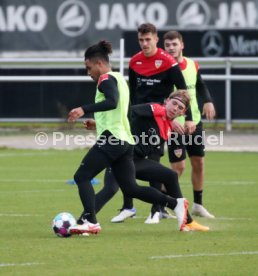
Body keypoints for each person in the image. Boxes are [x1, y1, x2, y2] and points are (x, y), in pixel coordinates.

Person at [67, 40, 189, 235]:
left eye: (88, 67)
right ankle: (174, 203)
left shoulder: (105, 79)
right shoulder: (120, 80)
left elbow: (111, 102)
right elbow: (124, 114)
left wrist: (84, 109)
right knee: (131, 189)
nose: (88, 72)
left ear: (99, 63)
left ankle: (90, 221)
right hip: (126, 143)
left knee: (81, 177)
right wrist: (97, 123)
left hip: (112, 140)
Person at [110, 23, 197, 223]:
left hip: (159, 120)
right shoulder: (134, 61)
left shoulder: (168, 62)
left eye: (148, 39)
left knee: (153, 163)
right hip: (138, 118)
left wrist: (186, 118)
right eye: (141, 40)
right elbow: (130, 93)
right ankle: (128, 207)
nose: (144, 43)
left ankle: (156, 209)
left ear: (156, 39)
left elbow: (183, 90)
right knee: (127, 159)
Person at [92, 90, 209, 231]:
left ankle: (187, 221)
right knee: (110, 189)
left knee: (170, 176)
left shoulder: (168, 128)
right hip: (120, 157)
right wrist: (99, 124)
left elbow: (153, 153)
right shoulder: (154, 109)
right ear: (166, 101)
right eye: (174, 103)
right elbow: (128, 112)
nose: (175, 108)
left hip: (135, 161)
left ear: (182, 114)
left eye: (180, 108)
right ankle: (84, 219)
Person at [163, 31, 216, 218]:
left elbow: (199, 84)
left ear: (181, 45)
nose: (171, 48)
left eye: (174, 44)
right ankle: (161, 205)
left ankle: (198, 205)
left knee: (199, 162)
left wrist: (207, 100)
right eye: (168, 45)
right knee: (178, 168)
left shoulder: (192, 64)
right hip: (175, 124)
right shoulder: (164, 68)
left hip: (194, 122)